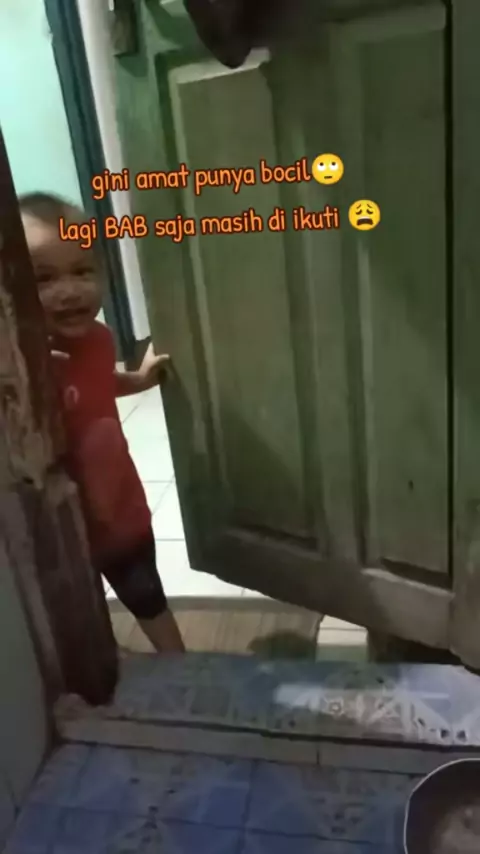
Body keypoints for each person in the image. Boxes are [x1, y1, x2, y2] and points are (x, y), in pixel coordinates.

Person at [19, 192, 185, 654]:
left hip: (122, 512)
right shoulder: (24, 364)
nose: (69, 290)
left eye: (82, 271)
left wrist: (139, 379)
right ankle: (100, 662)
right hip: (62, 529)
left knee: (147, 593)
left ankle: (181, 665)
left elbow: (98, 383)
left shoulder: (98, 338)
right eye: (43, 278)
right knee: (76, 612)